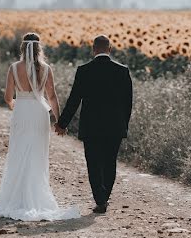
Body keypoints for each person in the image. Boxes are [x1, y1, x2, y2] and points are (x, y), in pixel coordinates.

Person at [0, 33, 80, 221]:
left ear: (22, 48)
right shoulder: (46, 69)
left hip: (22, 111)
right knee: (37, 155)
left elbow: (8, 97)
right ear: (39, 48)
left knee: (18, 152)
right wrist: (59, 121)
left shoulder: (14, 68)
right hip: (40, 113)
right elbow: (52, 97)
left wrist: (14, 104)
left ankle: (15, 198)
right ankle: (36, 197)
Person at [55, 35, 133, 214]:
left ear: (93, 49)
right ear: (110, 49)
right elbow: (128, 102)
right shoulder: (122, 71)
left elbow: (74, 100)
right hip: (115, 126)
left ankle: (100, 199)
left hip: (91, 127)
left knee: (93, 163)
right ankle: (105, 197)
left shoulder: (84, 70)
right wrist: (124, 125)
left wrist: (62, 123)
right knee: (109, 162)